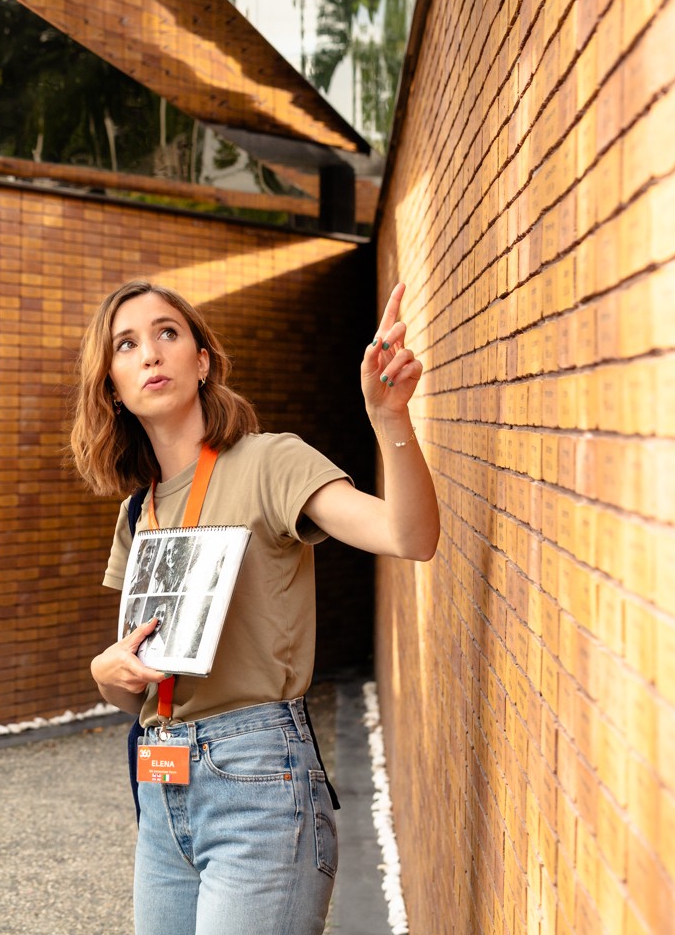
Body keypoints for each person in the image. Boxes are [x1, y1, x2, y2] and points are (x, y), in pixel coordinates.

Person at [77, 280, 438, 935]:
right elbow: (145, 682)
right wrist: (108, 676)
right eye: (126, 345)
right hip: (162, 791)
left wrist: (390, 420)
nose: (150, 355)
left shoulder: (271, 462)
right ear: (111, 387)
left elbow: (409, 537)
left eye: (167, 333)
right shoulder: (138, 514)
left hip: (258, 787)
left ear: (203, 359)